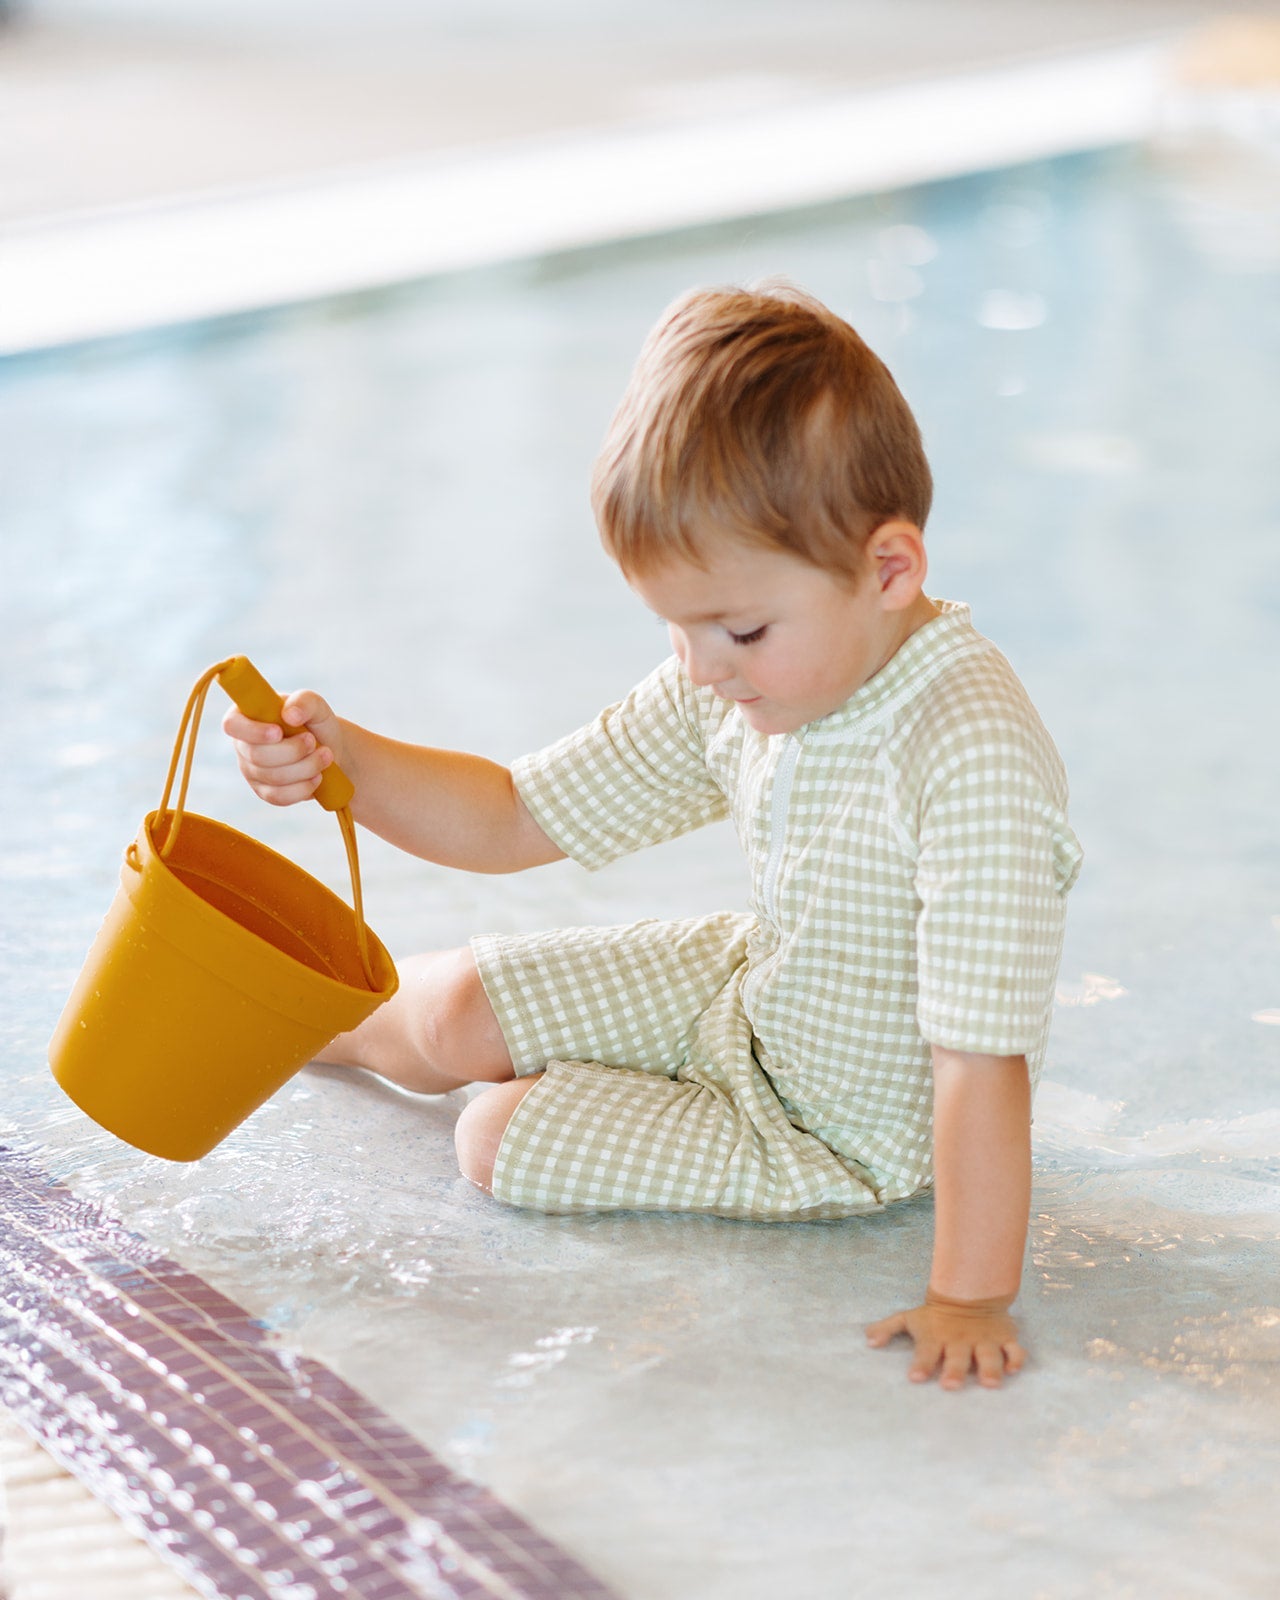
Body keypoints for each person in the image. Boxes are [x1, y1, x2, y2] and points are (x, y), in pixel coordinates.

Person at [224, 283, 1082, 1390]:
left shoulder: (969, 758)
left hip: (841, 1130)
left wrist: (969, 1294)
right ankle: (299, 1024)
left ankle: (383, 1047)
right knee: (450, 1008)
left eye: (734, 629)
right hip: (751, 992)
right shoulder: (741, 671)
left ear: (887, 570)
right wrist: (347, 761)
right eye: (672, 626)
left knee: (496, 1135)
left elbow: (979, 1056)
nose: (697, 666)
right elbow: (511, 811)